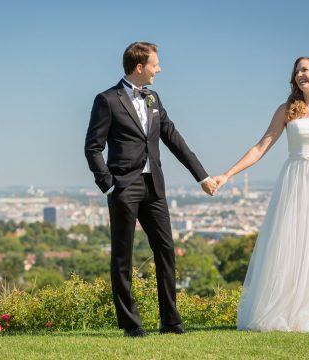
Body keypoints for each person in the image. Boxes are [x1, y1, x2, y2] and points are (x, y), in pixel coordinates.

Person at [85, 42, 217, 337]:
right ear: (140, 67)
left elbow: (174, 138)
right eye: (155, 64)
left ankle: (170, 321)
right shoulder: (107, 100)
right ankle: (131, 324)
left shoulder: (153, 98)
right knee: (123, 256)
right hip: (123, 187)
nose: (160, 69)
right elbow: (93, 147)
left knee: (166, 250)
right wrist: (108, 186)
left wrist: (202, 176)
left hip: (154, 186)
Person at [214, 56, 309, 332]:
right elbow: (260, 147)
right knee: (293, 244)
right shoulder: (287, 110)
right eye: (296, 71)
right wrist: (227, 175)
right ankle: (290, 309)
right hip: (296, 182)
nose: (299, 74)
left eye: (305, 69)